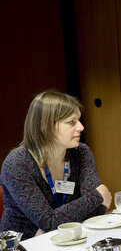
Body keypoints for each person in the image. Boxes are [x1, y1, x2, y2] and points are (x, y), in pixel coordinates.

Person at [0, 90, 112, 239]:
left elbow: (98, 210)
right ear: (45, 126)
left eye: (79, 120)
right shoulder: (17, 164)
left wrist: (53, 225)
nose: (81, 127)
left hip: (71, 239)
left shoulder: (81, 152)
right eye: (71, 122)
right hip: (24, 248)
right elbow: (48, 221)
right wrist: (97, 196)